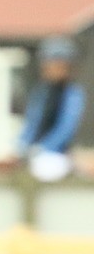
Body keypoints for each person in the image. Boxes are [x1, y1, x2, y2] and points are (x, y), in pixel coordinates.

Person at [17, 36, 86, 181]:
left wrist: (42, 148)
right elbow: (32, 123)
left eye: (58, 65)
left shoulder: (72, 94)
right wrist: (23, 144)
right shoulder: (40, 93)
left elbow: (65, 128)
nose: (51, 69)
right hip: (33, 151)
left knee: (44, 169)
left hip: (55, 154)